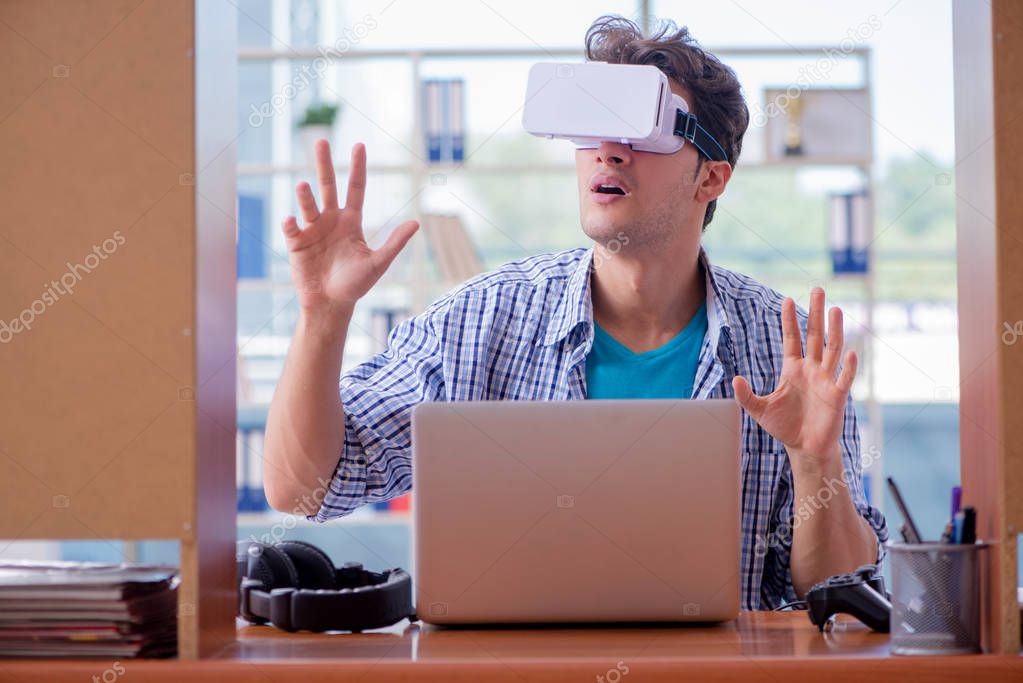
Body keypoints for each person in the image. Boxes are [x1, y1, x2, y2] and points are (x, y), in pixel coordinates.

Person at [263, 15, 888, 610]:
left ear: (712, 178)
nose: (609, 151)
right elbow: (304, 490)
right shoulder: (481, 321)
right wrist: (323, 315)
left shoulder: (790, 353)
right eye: (595, 126)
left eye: (646, 130)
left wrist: (815, 462)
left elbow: (832, 593)